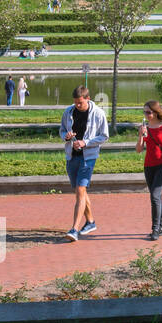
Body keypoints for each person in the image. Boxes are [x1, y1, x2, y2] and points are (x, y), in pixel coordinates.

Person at [60, 85, 109, 241]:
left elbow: (104, 136)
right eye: (75, 102)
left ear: (88, 98)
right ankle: (90, 221)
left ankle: (74, 229)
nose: (77, 105)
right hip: (72, 156)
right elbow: (61, 131)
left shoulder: (99, 114)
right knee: (80, 191)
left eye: (80, 103)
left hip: (88, 157)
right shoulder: (68, 112)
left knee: (80, 189)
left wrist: (85, 143)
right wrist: (66, 136)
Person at [135, 100, 162, 241]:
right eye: (144, 112)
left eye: (148, 112)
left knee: (155, 196)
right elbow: (139, 150)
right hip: (148, 166)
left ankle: (155, 229)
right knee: (156, 196)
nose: (146, 115)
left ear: (156, 112)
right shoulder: (145, 127)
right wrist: (141, 135)